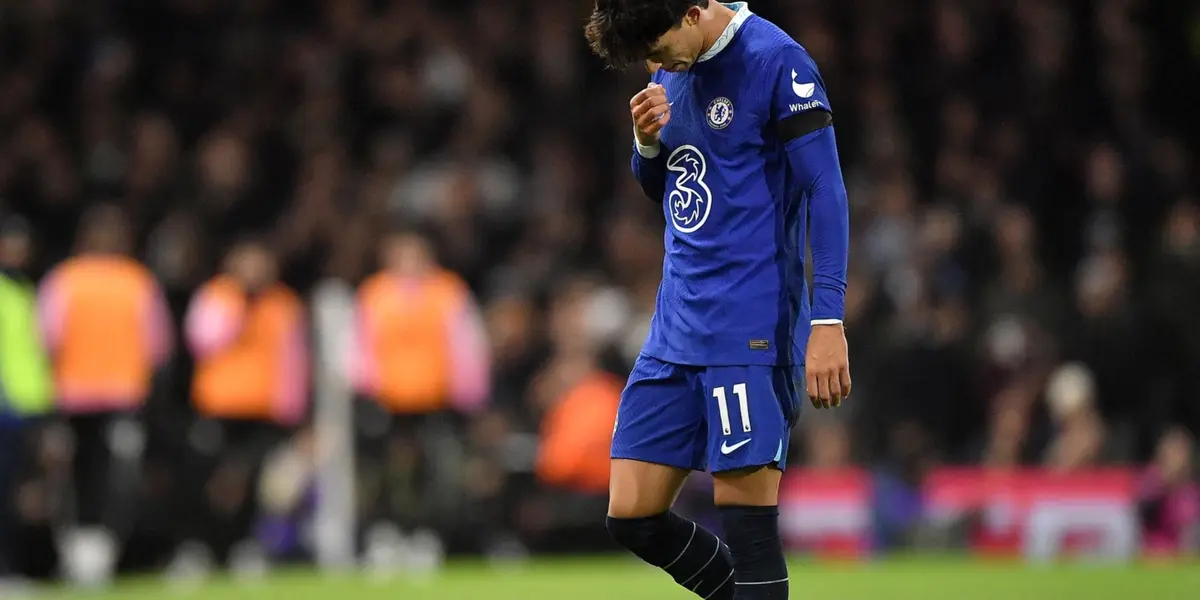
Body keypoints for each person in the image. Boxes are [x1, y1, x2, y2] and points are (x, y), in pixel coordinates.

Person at [585, 2, 851, 599]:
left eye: (657, 49)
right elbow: (674, 185)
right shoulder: (668, 68)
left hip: (749, 329)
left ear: (691, 10)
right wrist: (646, 146)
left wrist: (828, 318)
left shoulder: (776, 60)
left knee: (747, 527)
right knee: (631, 515)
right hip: (676, 326)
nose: (655, 66)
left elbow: (825, 190)